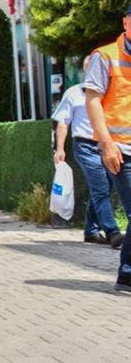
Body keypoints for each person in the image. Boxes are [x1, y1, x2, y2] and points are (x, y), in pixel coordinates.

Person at [83, 3, 131, 292]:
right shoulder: (106, 56)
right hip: (121, 148)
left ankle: (127, 274)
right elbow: (92, 101)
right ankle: (127, 273)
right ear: (126, 22)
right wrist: (106, 144)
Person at [54, 66, 123, 247]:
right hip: (85, 145)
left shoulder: (108, 91)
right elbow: (63, 122)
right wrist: (59, 148)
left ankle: (91, 231)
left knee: (105, 188)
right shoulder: (73, 93)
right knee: (100, 188)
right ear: (85, 70)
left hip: (106, 144)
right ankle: (112, 231)